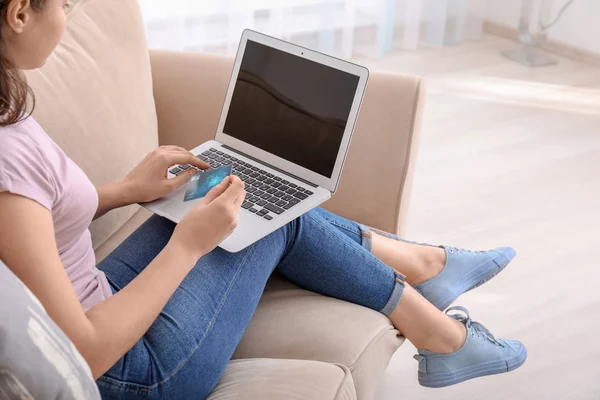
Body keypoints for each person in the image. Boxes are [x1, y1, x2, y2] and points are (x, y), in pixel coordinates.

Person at [0, 0, 527, 398]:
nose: (68, 17)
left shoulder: (7, 100)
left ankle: (428, 269)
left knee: (229, 192)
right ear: (21, 12)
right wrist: (187, 247)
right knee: (261, 213)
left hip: (99, 294)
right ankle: (439, 326)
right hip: (134, 370)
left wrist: (126, 191)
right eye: (66, 5)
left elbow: (37, 215)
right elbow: (82, 353)